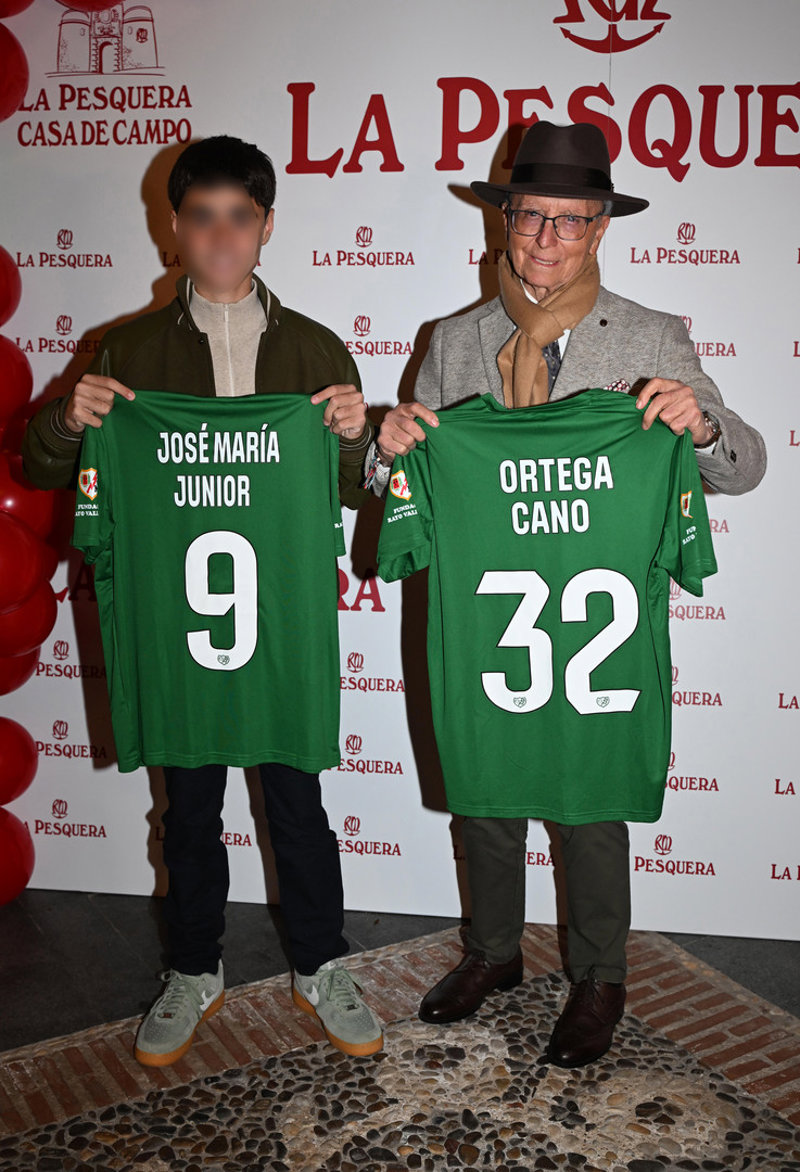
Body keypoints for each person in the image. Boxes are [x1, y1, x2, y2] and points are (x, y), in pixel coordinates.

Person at [369, 121, 766, 1068]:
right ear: (504, 221)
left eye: (570, 220)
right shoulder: (455, 340)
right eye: (530, 217)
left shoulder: (652, 335)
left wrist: (702, 425)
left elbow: (745, 466)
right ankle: (494, 952)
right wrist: (387, 453)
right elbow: (404, 483)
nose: (547, 239)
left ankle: (599, 975)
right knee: (485, 791)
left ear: (600, 229)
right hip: (491, 605)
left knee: (591, 801)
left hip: (594, 614)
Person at [22, 135, 383, 1064]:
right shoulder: (131, 347)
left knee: (297, 803)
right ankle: (193, 966)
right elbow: (45, 464)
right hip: (181, 620)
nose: (222, 235)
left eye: (240, 217)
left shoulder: (314, 346)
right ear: (175, 229)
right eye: (203, 216)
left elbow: (354, 489)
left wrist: (355, 437)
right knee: (188, 809)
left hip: (281, 617)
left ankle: (321, 962)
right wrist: (66, 418)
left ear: (266, 227)